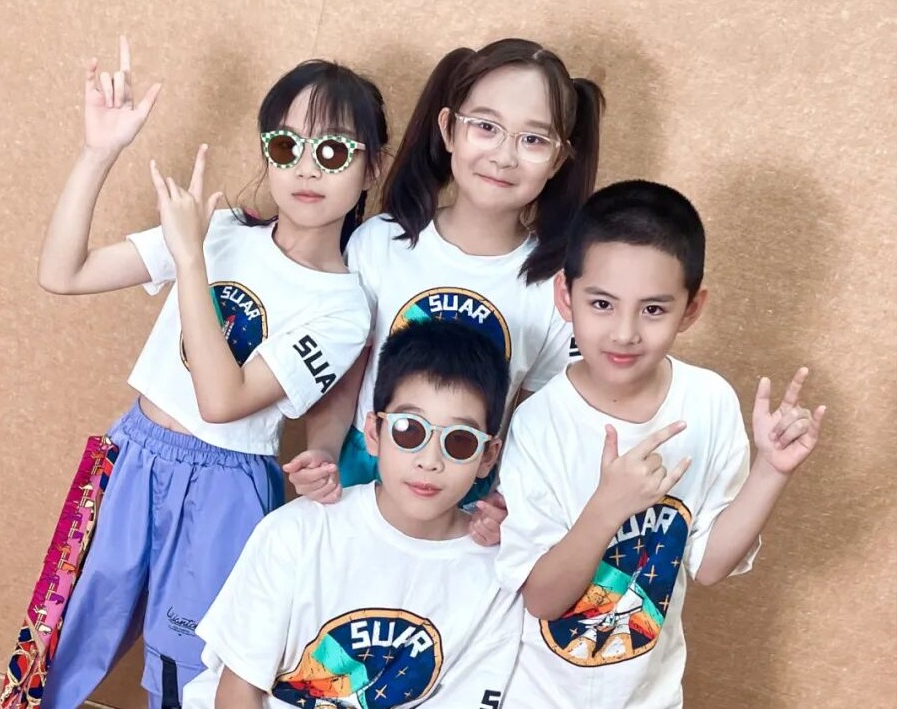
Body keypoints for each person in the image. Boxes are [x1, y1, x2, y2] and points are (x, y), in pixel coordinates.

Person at [30, 36, 388, 708]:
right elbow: (63, 272)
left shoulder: (342, 308)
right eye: (286, 145)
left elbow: (222, 401)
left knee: (188, 672)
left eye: (333, 151)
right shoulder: (220, 229)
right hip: (134, 450)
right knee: (63, 627)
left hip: (226, 486)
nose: (305, 167)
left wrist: (190, 258)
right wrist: (99, 153)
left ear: (372, 168)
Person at [495, 179, 826, 708]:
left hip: (652, 695)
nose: (624, 332)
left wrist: (773, 470)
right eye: (602, 303)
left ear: (691, 308)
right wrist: (608, 506)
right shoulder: (539, 422)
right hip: (536, 696)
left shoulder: (709, 401)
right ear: (565, 296)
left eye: (653, 310)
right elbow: (542, 598)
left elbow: (710, 565)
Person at [284, 38, 604, 520]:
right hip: (358, 483)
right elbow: (344, 376)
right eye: (486, 127)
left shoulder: (555, 288)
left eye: (534, 140)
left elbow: (539, 421)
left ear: (559, 160)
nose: (504, 156)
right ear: (449, 129)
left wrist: (509, 500)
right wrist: (323, 452)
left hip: (467, 508)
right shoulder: (381, 243)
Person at [182, 320, 523, 708]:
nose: (430, 460)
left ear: (488, 456)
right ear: (374, 433)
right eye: (409, 430)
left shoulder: (497, 576)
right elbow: (236, 691)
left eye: (459, 441)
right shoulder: (297, 533)